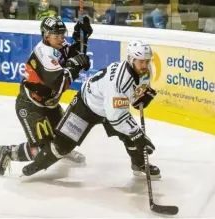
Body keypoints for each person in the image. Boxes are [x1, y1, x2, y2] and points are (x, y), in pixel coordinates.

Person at [21, 40, 161, 179]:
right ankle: (36, 165)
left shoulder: (145, 72)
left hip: (107, 107)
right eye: (141, 61)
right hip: (86, 106)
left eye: (147, 61)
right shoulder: (119, 82)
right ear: (131, 59)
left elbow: (132, 101)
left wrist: (141, 99)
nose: (144, 65)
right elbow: (116, 117)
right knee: (62, 147)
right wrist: (138, 135)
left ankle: (139, 164)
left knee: (129, 134)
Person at [0, 16, 93, 176]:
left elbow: (77, 58)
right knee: (42, 150)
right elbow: (60, 84)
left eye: (62, 33)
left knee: (67, 136)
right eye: (57, 34)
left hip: (50, 104)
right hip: (31, 105)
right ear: (46, 35)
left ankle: (63, 150)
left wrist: (83, 38)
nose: (61, 38)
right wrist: (74, 65)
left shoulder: (60, 45)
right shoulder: (43, 55)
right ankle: (8, 152)